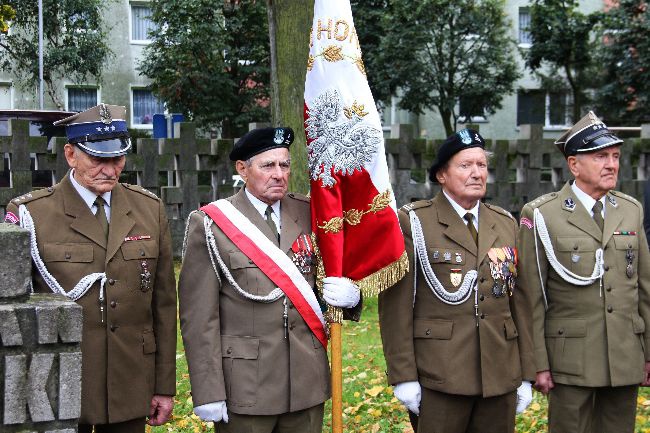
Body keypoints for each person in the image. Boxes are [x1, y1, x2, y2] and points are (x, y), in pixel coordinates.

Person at [4, 104, 177, 433]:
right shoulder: (33, 214)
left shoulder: (148, 209)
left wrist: (164, 384)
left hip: (131, 377)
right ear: (71, 154)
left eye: (118, 159)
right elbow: (16, 308)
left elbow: (164, 304)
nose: (110, 169)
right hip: (62, 381)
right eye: (99, 159)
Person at [178, 126, 361, 433]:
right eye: (268, 165)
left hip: (306, 382)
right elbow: (199, 319)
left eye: (284, 165)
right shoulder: (212, 223)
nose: (279, 174)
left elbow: (332, 279)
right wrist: (209, 391)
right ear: (242, 169)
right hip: (246, 385)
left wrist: (353, 297)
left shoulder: (310, 213)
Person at [378, 129, 535, 433]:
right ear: (441, 175)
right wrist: (403, 375)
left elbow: (521, 302)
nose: (477, 173)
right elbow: (396, 305)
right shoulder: (414, 221)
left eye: (481, 165)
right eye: (465, 166)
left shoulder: (504, 222)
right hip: (441, 373)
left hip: (499, 372)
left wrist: (526, 373)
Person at [517, 111, 650, 433]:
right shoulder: (542, 215)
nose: (611, 164)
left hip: (625, 353)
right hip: (569, 358)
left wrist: (648, 353)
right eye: (601, 156)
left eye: (615, 156)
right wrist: (538, 363)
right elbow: (531, 297)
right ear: (574, 165)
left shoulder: (630, 209)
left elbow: (645, 288)